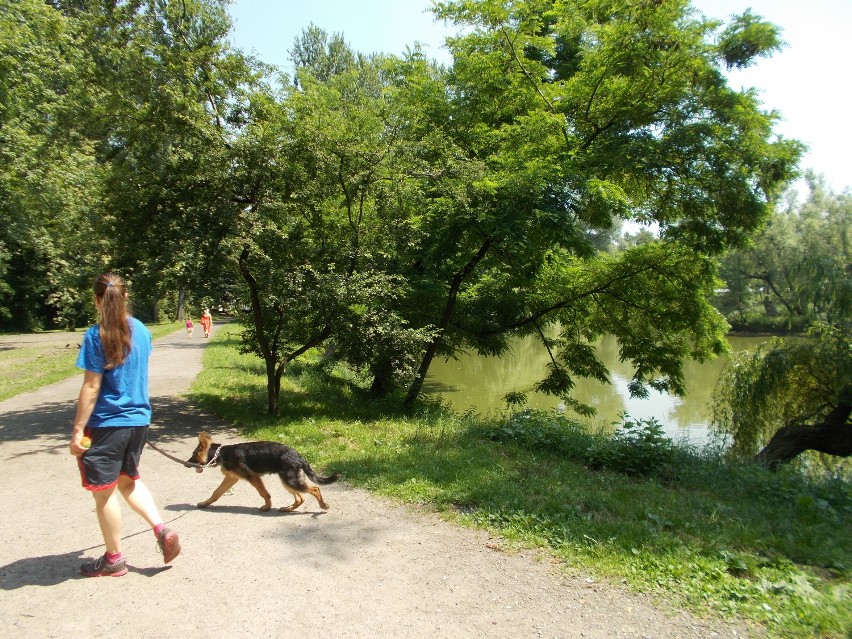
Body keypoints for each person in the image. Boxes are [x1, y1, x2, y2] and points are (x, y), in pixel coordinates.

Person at [69, 273, 181, 577]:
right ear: (126, 297)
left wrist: (78, 429)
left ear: (96, 300)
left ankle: (114, 558)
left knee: (103, 493)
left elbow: (92, 387)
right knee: (127, 480)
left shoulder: (97, 335)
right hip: (139, 421)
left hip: (107, 425)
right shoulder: (142, 330)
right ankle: (160, 528)